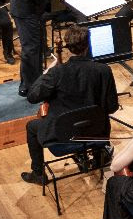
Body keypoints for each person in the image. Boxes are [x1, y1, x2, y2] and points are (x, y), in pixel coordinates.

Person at [21, 26, 118, 185]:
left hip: (63, 137)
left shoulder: (57, 73)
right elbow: (112, 107)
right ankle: (99, 154)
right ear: (88, 46)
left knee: (31, 126)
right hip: (96, 134)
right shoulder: (104, 70)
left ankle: (38, 174)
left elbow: (32, 96)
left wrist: (45, 74)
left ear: (67, 48)